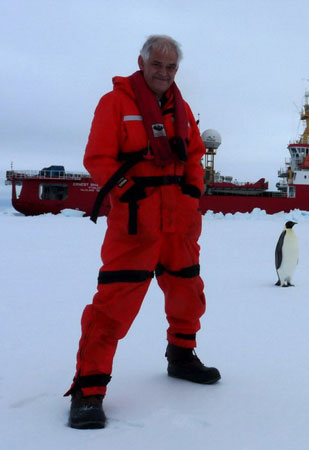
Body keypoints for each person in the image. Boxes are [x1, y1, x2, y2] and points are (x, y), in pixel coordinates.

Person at [65, 35, 220, 430]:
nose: (164, 73)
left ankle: (181, 357)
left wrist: (191, 192)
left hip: (178, 223)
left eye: (171, 68)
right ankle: (89, 389)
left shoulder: (181, 108)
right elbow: (97, 157)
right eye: (158, 65)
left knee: (188, 293)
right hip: (135, 222)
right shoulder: (115, 103)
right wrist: (124, 191)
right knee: (112, 307)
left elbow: (196, 156)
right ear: (142, 62)